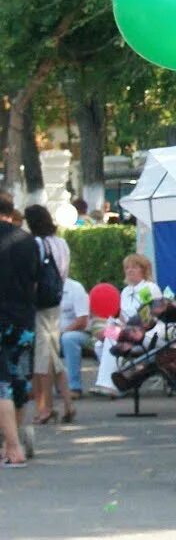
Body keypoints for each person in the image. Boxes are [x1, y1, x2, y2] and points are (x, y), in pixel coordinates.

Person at [0, 197, 41, 467]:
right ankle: (12, 438)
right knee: (19, 379)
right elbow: (36, 282)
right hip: (23, 320)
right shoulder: (27, 241)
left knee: (1, 382)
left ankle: (12, 446)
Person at [24, 205, 72, 425]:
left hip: (40, 304)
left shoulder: (36, 244)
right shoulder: (61, 243)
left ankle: (44, 407)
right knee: (53, 354)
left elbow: (32, 276)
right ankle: (68, 403)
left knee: (42, 358)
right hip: (56, 300)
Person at [58, 276, 92, 397]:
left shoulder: (75, 288)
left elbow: (82, 321)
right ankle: (31, 388)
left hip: (83, 334)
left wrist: (61, 333)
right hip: (54, 334)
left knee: (68, 338)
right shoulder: (43, 287)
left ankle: (74, 387)